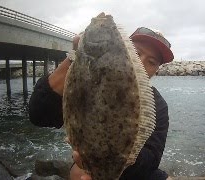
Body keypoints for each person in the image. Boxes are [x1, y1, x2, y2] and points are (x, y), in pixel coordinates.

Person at [28, 27, 174, 180]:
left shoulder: (159, 105)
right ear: (124, 51)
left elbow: (152, 158)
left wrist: (111, 158)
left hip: (130, 170)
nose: (140, 62)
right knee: (79, 173)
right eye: (136, 53)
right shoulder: (90, 80)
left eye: (151, 62)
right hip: (88, 164)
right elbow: (40, 115)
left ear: (156, 70)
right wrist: (77, 57)